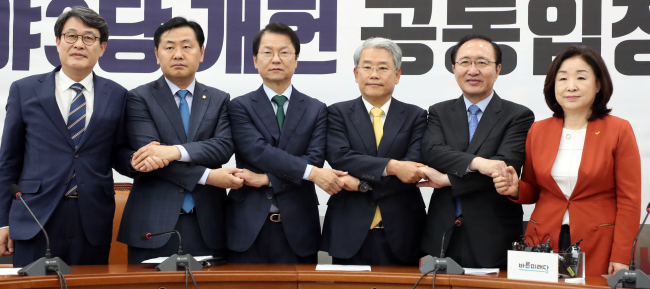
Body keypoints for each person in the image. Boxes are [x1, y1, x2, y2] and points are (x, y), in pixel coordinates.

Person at [0, 6, 162, 266]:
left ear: (102, 47)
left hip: (91, 216)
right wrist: (3, 221)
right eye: (71, 36)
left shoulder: (118, 95)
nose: (79, 44)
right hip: (35, 215)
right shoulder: (25, 90)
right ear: (57, 41)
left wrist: (135, 160)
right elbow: (8, 161)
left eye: (89, 38)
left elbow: (118, 151)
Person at [492, 45, 640, 276]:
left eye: (581, 77)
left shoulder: (618, 129)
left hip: (598, 240)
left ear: (598, 84)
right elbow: (533, 190)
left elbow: (629, 200)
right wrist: (515, 189)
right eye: (562, 78)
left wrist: (621, 255)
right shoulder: (538, 130)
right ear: (553, 85)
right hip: (543, 240)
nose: (571, 86)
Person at [117, 17, 242, 264]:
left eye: (186, 46)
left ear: (202, 52)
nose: (178, 54)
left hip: (208, 223)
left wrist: (173, 151)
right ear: (157, 54)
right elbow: (150, 157)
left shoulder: (219, 99)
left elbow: (223, 147)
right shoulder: (138, 98)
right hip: (152, 225)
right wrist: (208, 177)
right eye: (169, 47)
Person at [226, 22, 346, 264]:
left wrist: (266, 179)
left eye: (284, 52)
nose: (276, 59)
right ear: (255, 59)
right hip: (247, 225)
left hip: (300, 225)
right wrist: (311, 173)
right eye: (267, 52)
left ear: (296, 59)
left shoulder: (317, 109)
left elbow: (314, 158)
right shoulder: (239, 106)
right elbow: (257, 152)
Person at [418, 34, 534, 269]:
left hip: (493, 235)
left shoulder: (518, 116)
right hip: (442, 232)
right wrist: (478, 163)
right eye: (465, 62)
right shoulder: (439, 112)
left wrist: (447, 179)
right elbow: (433, 152)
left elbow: (503, 168)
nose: (473, 70)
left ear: (498, 68)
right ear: (454, 68)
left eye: (482, 62)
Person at [320, 37, 427, 266]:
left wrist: (361, 181)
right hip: (348, 227)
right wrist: (393, 167)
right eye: (367, 67)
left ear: (397, 75)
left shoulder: (416, 115)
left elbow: (414, 166)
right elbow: (340, 156)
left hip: (402, 228)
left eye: (383, 68)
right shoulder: (337, 113)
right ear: (356, 74)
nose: (374, 74)